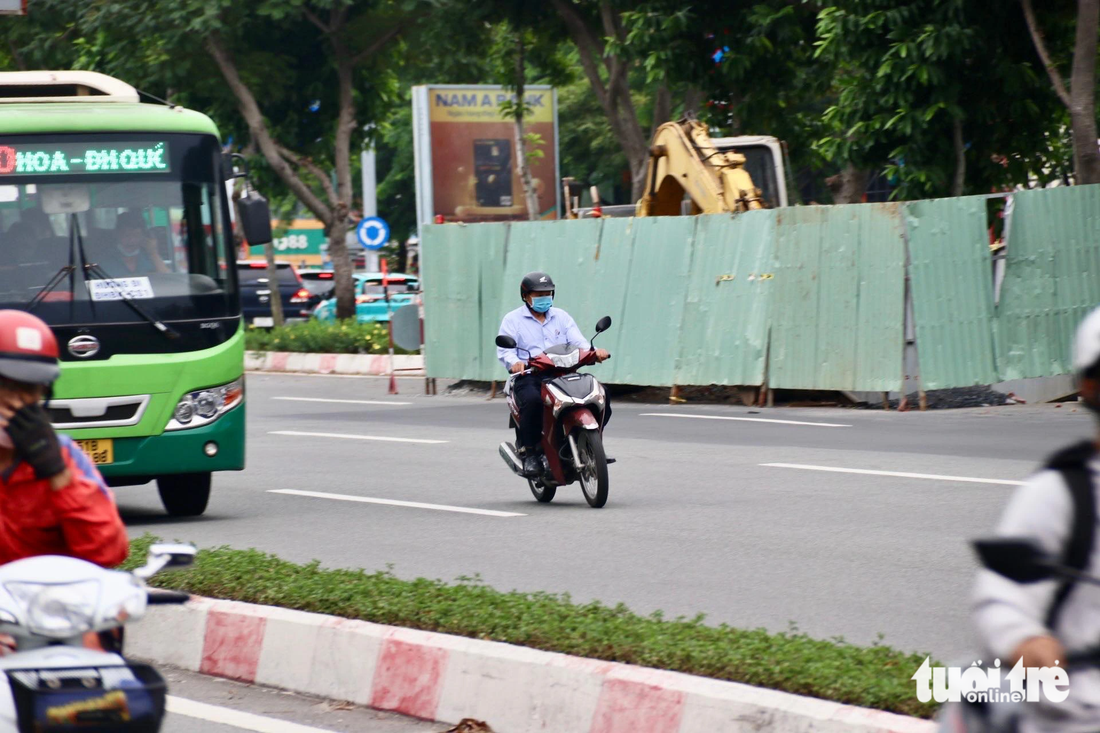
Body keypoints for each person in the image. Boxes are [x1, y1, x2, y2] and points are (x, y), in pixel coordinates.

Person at [972, 305, 1100, 732]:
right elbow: (1002, 591)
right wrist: (1026, 640)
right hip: (1073, 715)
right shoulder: (1062, 493)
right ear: (1090, 388)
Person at [0, 309, 128, 567]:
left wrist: (57, 474)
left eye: (30, 390)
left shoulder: (65, 457)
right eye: (6, 386)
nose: (17, 402)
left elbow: (107, 553)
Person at [496, 271, 610, 476]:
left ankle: (592, 445)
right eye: (538, 294)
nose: (544, 298)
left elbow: (579, 342)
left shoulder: (561, 317)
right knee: (532, 401)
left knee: (602, 395)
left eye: (547, 293)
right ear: (526, 296)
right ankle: (530, 453)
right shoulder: (512, 320)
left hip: (562, 373)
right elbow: (505, 350)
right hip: (530, 376)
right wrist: (515, 363)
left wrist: (594, 353)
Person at [98, 211, 170, 275]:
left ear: (144, 236)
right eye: (127, 235)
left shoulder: (150, 258)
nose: (131, 240)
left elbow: (167, 279)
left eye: (136, 235)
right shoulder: (103, 259)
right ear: (117, 234)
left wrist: (153, 253)